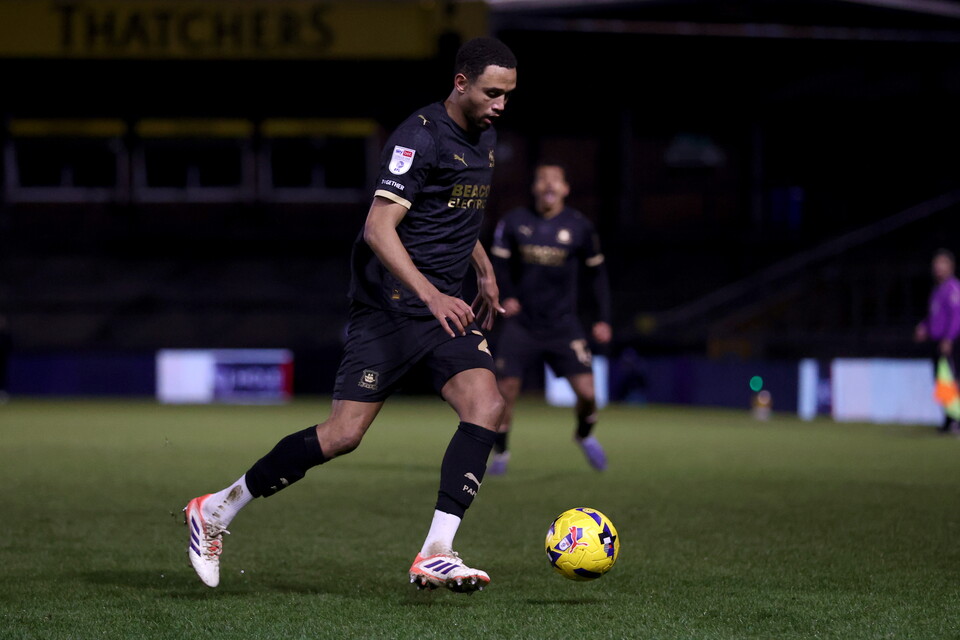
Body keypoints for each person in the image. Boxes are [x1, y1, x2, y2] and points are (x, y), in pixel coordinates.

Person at [183, 37, 517, 593]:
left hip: (443, 311)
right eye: (493, 93)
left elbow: (457, 213)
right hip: (389, 309)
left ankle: (437, 550)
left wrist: (481, 267)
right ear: (461, 83)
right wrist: (433, 295)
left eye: (508, 95)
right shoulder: (420, 137)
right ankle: (216, 508)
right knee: (342, 435)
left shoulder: (485, 137)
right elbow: (378, 229)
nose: (501, 104)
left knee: (487, 405)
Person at [487, 162, 612, 474]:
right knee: (505, 395)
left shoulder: (579, 226)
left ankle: (583, 435)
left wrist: (603, 318)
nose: (549, 185)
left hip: (563, 323)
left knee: (587, 394)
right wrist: (507, 295)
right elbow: (497, 267)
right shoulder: (515, 221)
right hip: (522, 325)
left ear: (566, 189)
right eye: (542, 179)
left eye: (555, 180)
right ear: (535, 187)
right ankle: (501, 455)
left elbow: (597, 276)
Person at [914, 248, 960, 433]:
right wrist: (924, 326)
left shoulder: (953, 288)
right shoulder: (937, 290)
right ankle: (949, 420)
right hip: (937, 342)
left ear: (951, 266)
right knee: (943, 382)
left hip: (951, 341)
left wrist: (949, 338)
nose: (938, 267)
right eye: (936, 264)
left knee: (953, 379)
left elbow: (957, 316)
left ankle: (957, 419)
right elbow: (935, 316)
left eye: (943, 263)